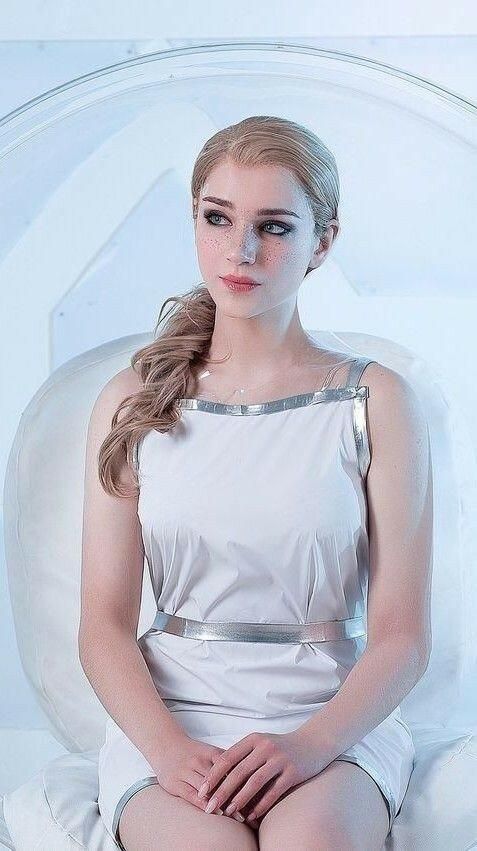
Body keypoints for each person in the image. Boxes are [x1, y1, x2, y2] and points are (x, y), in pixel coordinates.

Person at [79, 115, 433, 850]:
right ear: (194, 220)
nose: (240, 251)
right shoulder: (133, 401)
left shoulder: (375, 401)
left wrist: (310, 744)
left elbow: (402, 636)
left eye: (273, 227)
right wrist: (170, 752)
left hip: (331, 718)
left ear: (322, 242)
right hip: (175, 718)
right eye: (218, 218)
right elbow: (102, 627)